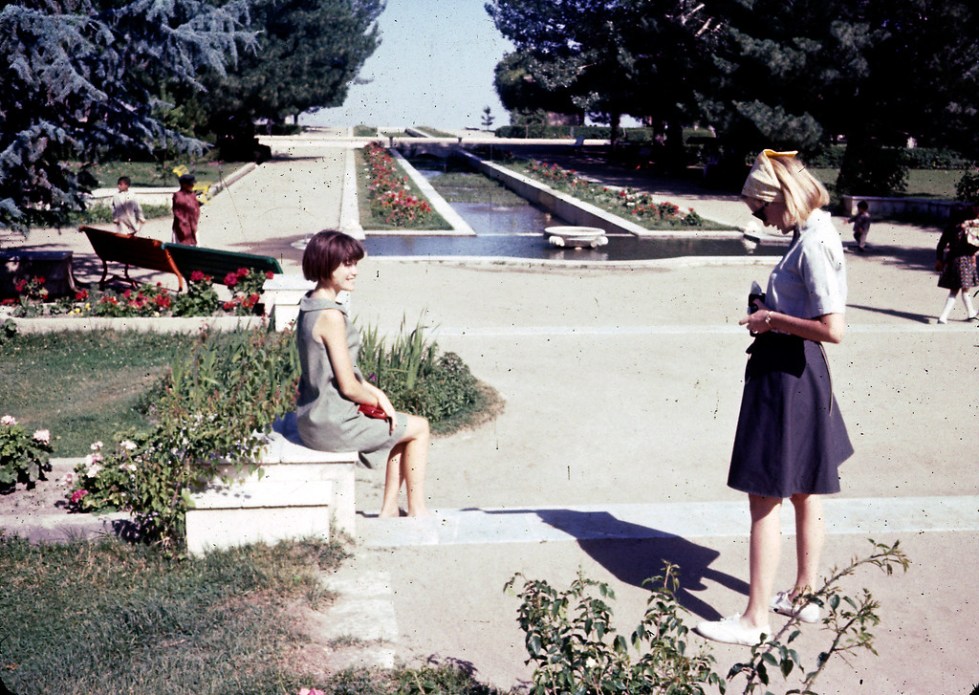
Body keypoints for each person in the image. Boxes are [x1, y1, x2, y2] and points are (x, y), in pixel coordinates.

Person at [694, 150, 854, 646]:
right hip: (802, 374)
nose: (760, 220)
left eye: (760, 211)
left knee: (764, 496)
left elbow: (833, 330)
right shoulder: (814, 234)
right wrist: (776, 307)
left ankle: (754, 619)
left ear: (780, 199)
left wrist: (769, 320)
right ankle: (804, 595)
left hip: (786, 374)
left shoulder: (812, 244)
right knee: (806, 489)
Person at [295, 230, 431, 518]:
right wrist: (379, 400)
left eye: (355, 263)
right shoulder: (331, 316)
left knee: (401, 427)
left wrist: (378, 394)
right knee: (419, 428)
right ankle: (418, 510)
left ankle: (390, 508)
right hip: (332, 423)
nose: (354, 271)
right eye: (346, 264)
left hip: (313, 417)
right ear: (324, 264)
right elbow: (348, 386)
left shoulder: (309, 305)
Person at [934, 203, 979, 324]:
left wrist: (939, 259)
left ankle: (971, 313)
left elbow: (941, 245)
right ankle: (943, 316)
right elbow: (973, 245)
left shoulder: (950, 229)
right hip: (965, 261)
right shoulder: (969, 228)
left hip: (952, 260)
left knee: (962, 289)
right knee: (960, 290)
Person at [171, 173, 201, 245]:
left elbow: (196, 209)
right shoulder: (178, 196)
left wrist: (194, 223)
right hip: (181, 228)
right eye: (190, 184)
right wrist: (184, 225)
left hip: (193, 226)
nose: (193, 186)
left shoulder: (192, 195)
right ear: (184, 184)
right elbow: (178, 213)